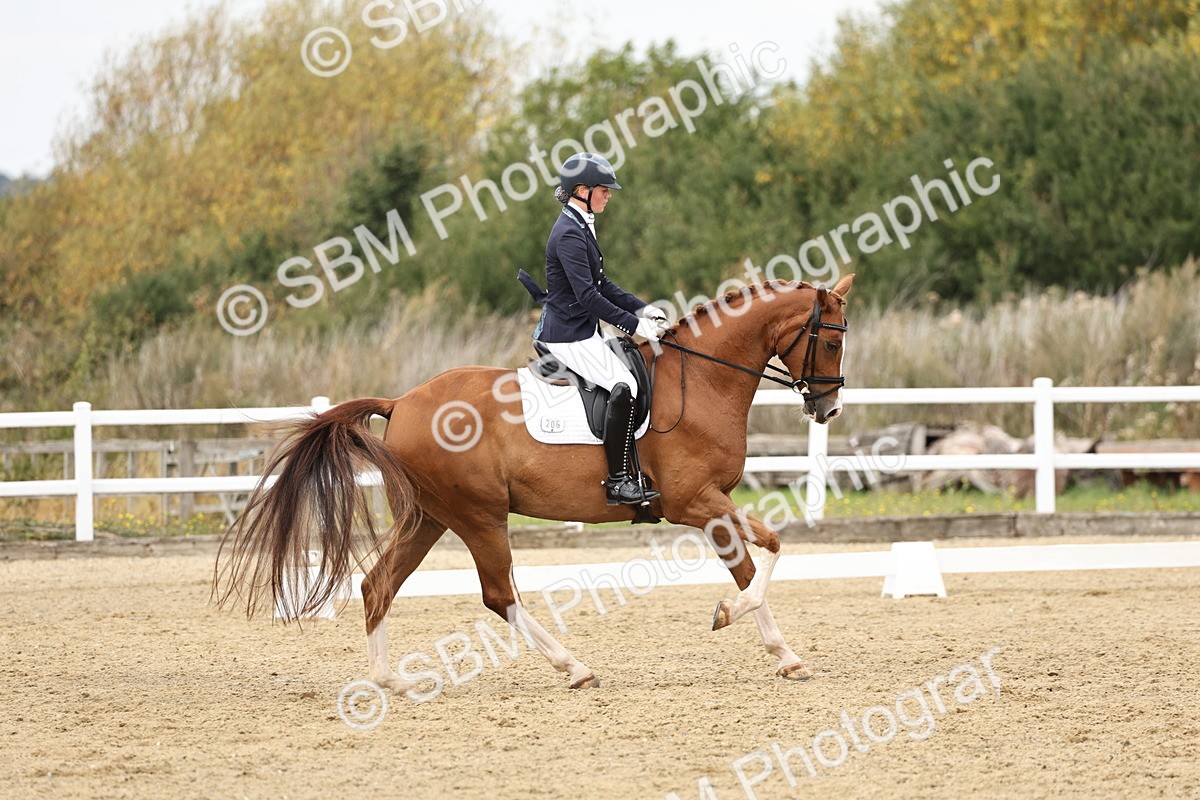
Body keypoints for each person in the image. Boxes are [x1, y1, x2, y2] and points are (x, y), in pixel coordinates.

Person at [517, 152, 668, 505]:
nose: (609, 195)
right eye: (604, 189)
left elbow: (603, 284)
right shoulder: (569, 233)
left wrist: (642, 308)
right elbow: (588, 297)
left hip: (582, 328)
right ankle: (618, 481)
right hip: (568, 334)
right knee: (624, 385)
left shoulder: (580, 222)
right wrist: (635, 326)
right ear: (582, 191)